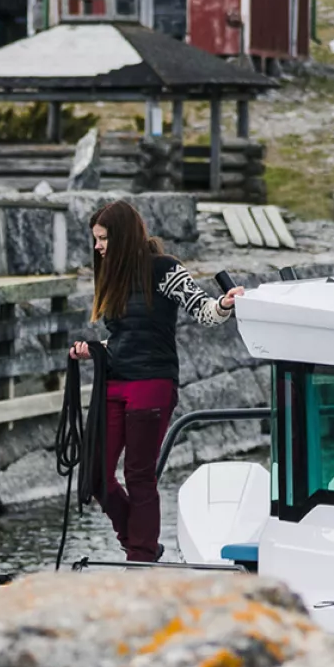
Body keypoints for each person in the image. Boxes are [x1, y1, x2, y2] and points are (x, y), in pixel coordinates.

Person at [68, 201, 244, 561]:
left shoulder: (165, 269)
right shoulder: (111, 275)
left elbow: (204, 312)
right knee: (96, 472)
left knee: (138, 475)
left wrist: (225, 303)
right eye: (96, 240)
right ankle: (137, 539)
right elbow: (124, 338)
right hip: (115, 382)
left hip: (152, 384)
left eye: (103, 239)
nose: (98, 247)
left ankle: (141, 553)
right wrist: (93, 349)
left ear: (122, 235)